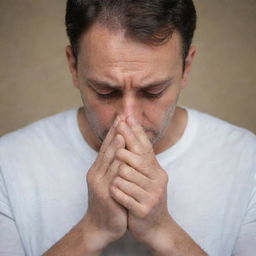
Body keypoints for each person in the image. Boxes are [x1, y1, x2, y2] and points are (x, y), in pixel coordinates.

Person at [0, 0, 255, 255]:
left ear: (186, 68)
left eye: (153, 91)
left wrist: (162, 230)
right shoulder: (8, 164)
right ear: (73, 66)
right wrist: (91, 230)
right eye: (105, 91)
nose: (128, 118)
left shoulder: (248, 162)